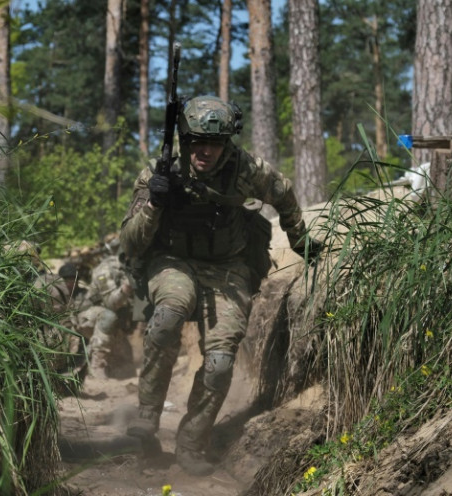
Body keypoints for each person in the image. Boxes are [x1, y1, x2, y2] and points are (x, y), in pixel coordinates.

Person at [119, 95, 322, 475]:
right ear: (184, 139)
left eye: (214, 143)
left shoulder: (245, 169)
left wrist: (300, 241)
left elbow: (285, 194)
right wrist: (154, 204)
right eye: (197, 142)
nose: (205, 151)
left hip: (229, 267)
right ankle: (147, 415)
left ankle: (192, 442)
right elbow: (130, 242)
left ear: (227, 143)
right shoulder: (159, 172)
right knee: (167, 316)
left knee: (219, 363)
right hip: (172, 261)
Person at [75, 237, 135, 379]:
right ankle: (96, 366)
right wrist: (127, 286)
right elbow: (110, 303)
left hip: (116, 322)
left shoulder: (128, 267)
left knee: (128, 369)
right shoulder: (106, 269)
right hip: (92, 317)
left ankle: (94, 357)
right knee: (108, 316)